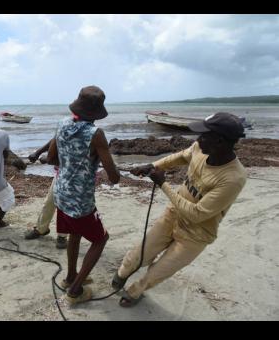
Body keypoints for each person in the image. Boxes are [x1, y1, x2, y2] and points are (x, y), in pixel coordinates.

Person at [111, 112, 247, 307]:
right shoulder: (201, 148)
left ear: (220, 141)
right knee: (140, 253)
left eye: (203, 135)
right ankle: (121, 274)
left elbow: (198, 214)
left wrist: (163, 184)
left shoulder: (234, 178)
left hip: (196, 234)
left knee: (158, 272)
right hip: (173, 215)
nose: (197, 139)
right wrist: (152, 165)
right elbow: (182, 156)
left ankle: (135, 292)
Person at [47, 85, 120, 305]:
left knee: (75, 234)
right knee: (101, 239)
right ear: (97, 112)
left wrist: (70, 164)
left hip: (61, 193)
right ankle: (75, 291)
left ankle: (70, 277)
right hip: (80, 201)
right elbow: (114, 176)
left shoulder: (61, 125)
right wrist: (111, 169)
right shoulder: (95, 134)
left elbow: (51, 159)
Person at [23, 139, 68, 249]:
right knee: (49, 202)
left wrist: (49, 159)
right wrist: (38, 152)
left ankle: (62, 236)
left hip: (75, 177)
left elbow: (74, 159)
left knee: (64, 207)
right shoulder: (67, 126)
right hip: (60, 174)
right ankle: (41, 229)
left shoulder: (90, 134)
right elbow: (56, 139)